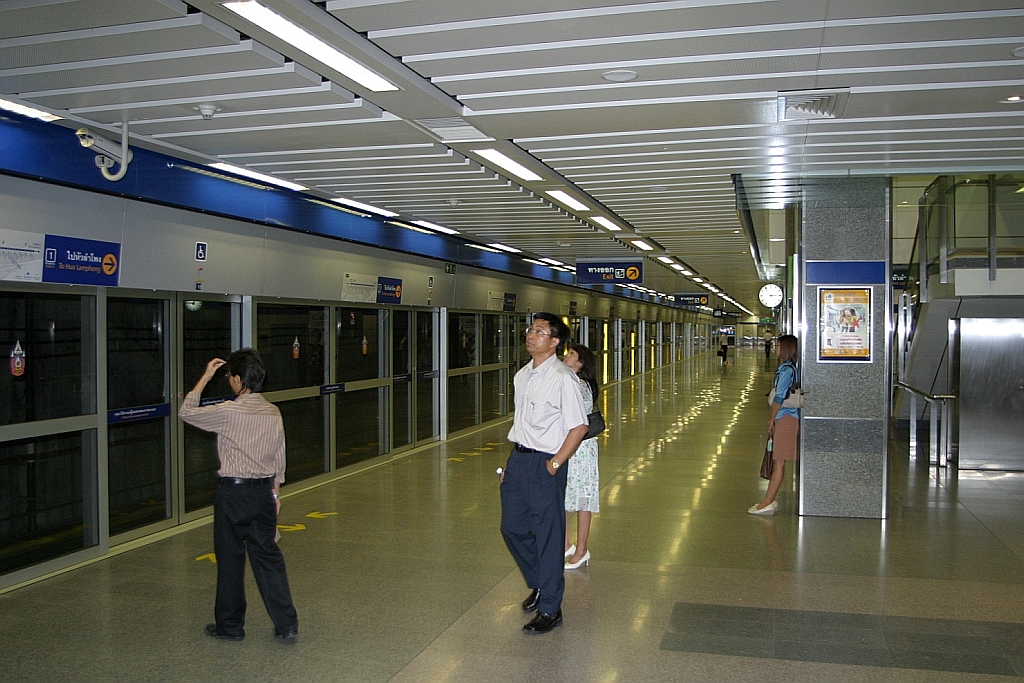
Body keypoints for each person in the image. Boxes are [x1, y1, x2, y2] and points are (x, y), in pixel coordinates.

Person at [179, 348, 299, 641]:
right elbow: (278, 459)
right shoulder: (273, 412)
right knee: (269, 559)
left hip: (233, 494)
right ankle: (287, 625)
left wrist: (205, 376)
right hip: (262, 495)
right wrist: (275, 494)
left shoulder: (227, 411)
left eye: (230, 376)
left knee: (231, 560)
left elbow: (186, 412)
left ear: (236, 379)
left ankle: (231, 627)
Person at [502, 313, 589, 634]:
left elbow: (579, 426)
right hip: (518, 460)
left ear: (554, 342)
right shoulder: (523, 375)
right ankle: (539, 582)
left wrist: (554, 464)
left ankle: (551, 606)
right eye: (531, 330)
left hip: (546, 463)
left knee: (550, 535)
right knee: (512, 527)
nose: (531, 335)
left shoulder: (563, 378)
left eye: (539, 332)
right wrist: (512, 465)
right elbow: (522, 422)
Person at [750, 334, 800, 515]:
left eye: (779, 345)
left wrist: (771, 419)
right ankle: (769, 500)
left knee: (778, 461)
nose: (776, 348)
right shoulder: (788, 368)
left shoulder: (786, 370)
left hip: (786, 417)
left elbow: (779, 398)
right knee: (779, 460)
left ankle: (767, 503)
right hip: (786, 417)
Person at [562, 343, 600, 570]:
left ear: (580, 363)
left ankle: (582, 549)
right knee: (565, 496)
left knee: (583, 498)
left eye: (571, 355)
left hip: (580, 449)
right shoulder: (575, 383)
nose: (565, 357)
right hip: (571, 447)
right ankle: (567, 543)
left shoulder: (578, 385)